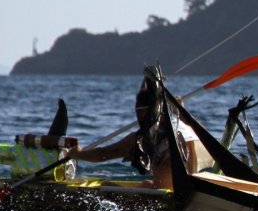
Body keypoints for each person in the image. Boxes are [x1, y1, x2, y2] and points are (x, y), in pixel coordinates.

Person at [66, 66, 199, 190]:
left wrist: (76, 153)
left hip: (168, 198)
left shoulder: (141, 139)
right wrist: (181, 112)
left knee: (106, 185)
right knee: (146, 184)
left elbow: (102, 155)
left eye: (139, 112)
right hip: (192, 190)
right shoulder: (188, 128)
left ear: (142, 112)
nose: (138, 117)